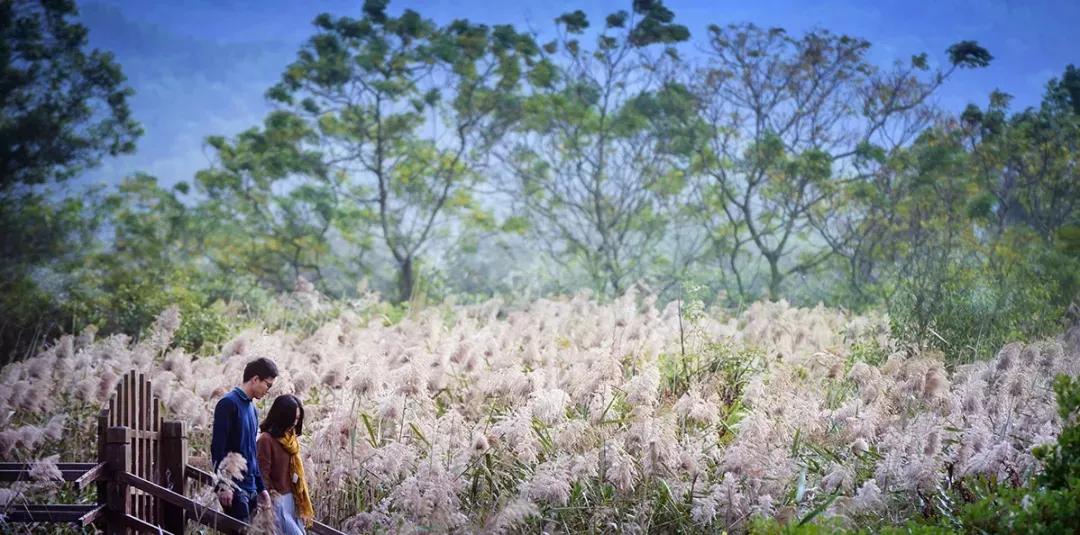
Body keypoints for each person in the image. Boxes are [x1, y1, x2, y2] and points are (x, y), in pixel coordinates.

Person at [211, 357, 278, 523]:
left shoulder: (253, 410)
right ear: (255, 379)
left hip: (252, 489)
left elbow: (251, 453)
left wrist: (261, 488)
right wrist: (224, 485)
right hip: (234, 489)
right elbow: (218, 448)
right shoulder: (228, 403)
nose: (268, 390)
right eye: (267, 385)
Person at [257, 394, 314, 534]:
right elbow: (262, 474)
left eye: (298, 418)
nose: (295, 423)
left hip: (292, 499)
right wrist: (266, 503)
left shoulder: (290, 438)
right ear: (282, 417)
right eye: (293, 418)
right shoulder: (266, 440)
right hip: (277, 500)